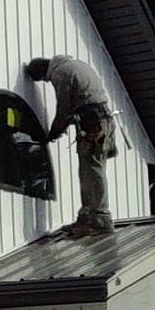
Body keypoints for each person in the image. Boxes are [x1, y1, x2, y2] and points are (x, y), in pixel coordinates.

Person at [25, 55, 117, 237]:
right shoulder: (75, 64)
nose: (47, 81)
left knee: (93, 169)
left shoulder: (62, 73)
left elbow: (63, 109)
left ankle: (100, 220)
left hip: (94, 124)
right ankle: (86, 217)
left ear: (43, 74)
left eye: (44, 80)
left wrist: (52, 133)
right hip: (98, 122)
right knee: (87, 170)